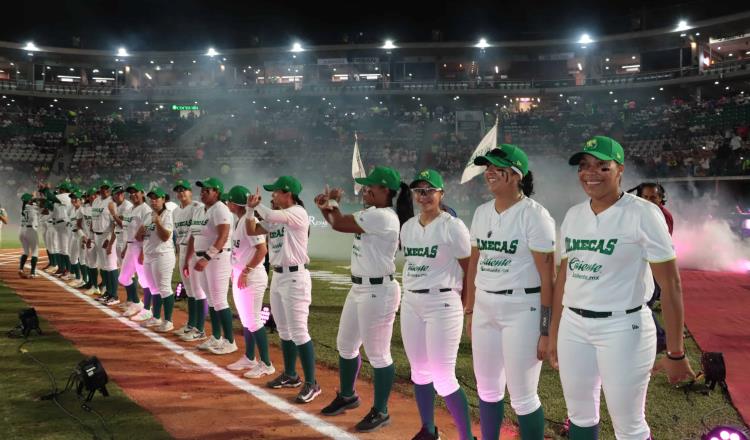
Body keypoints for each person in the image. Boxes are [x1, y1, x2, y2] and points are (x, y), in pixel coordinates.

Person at [549, 136, 695, 439]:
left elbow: (671, 284)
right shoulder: (574, 215)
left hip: (623, 326)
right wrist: (553, 332)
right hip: (574, 327)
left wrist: (677, 353)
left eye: (603, 167)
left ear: (620, 171)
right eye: (585, 166)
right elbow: (564, 276)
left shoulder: (643, 213)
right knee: (580, 417)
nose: (591, 173)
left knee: (629, 426)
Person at [465, 145, 555, 440]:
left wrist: (546, 330)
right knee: (487, 388)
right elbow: (474, 265)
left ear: (516, 174)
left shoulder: (535, 216)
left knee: (523, 396)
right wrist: (470, 309)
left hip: (522, 308)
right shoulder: (480, 213)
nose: (488, 172)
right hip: (485, 307)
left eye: (496, 167)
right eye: (486, 167)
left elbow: (548, 278)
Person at [314, 166, 413, 432]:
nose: (365, 190)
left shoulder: (384, 216)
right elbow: (336, 220)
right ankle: (347, 396)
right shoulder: (373, 213)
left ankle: (381, 411)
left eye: (371, 186)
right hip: (360, 288)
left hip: (378, 291)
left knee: (379, 354)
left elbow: (338, 223)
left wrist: (331, 204)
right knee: (345, 345)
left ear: (386, 190)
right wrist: (326, 206)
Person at [399, 169, 474, 440]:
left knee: (443, 376)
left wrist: (468, 308)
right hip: (412, 301)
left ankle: (467, 436)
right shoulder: (408, 227)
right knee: (419, 371)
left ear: (441, 193)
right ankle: (428, 430)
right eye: (419, 191)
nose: (424, 195)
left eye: (430, 190)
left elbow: (469, 268)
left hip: (443, 301)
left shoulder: (452, 225)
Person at [245, 175, 321, 404]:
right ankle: (290, 375)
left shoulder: (297, 212)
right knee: (284, 331)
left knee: (299, 332)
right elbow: (252, 230)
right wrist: (250, 211)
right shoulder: (278, 217)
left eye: (276, 192)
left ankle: (312, 383)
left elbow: (267, 214)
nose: (272, 195)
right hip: (279, 276)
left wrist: (256, 205)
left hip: (296, 277)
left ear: (288, 193)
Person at [225, 185, 274, 378]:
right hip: (242, 273)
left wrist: (246, 271)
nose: (226, 203)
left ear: (234, 204)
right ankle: (249, 356)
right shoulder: (240, 221)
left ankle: (267, 364)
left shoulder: (248, 220)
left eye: (228, 200)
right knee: (246, 320)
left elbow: (262, 250)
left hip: (251, 276)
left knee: (253, 320)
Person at [183, 177, 236, 354]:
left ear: (217, 192)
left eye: (207, 190)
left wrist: (206, 257)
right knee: (212, 299)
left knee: (220, 300)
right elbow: (195, 235)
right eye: (202, 190)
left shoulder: (220, 209)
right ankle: (216, 336)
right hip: (204, 258)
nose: (203, 193)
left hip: (217, 258)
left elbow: (223, 235)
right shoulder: (202, 210)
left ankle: (230, 341)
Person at [136, 187, 176, 333]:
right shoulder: (148, 215)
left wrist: (158, 222)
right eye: (151, 198)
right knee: (153, 288)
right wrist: (140, 232)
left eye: (157, 198)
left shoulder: (168, 214)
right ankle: (156, 317)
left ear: (163, 199)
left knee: (165, 288)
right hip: (149, 255)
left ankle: (169, 321)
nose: (154, 201)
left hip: (162, 255)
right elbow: (139, 237)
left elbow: (165, 236)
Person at [171, 179, 207, 339]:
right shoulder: (175, 211)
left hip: (195, 249)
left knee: (198, 291)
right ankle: (191, 325)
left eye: (184, 189)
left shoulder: (197, 207)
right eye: (178, 190)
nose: (181, 193)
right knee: (190, 291)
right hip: (183, 249)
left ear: (190, 191)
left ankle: (200, 329)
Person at [118, 183, 154, 319]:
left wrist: (144, 252)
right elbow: (129, 230)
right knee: (123, 277)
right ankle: (137, 302)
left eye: (136, 192)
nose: (133, 195)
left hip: (140, 247)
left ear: (142, 193)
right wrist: (126, 247)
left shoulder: (146, 210)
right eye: (131, 193)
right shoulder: (130, 210)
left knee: (145, 281)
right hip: (131, 246)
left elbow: (147, 232)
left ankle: (147, 309)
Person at [91, 179, 121, 306]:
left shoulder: (111, 203)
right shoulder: (96, 201)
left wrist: (109, 239)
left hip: (107, 236)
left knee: (111, 265)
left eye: (107, 188)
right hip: (97, 236)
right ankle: (108, 293)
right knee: (104, 266)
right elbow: (94, 219)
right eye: (103, 188)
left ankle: (114, 295)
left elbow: (115, 224)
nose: (105, 190)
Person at [18, 193, 40, 278]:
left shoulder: (24, 208)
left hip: (21, 231)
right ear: (29, 201)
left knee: (26, 252)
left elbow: (34, 202)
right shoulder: (33, 207)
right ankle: (32, 273)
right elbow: (42, 206)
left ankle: (21, 269)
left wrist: (32, 198)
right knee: (35, 252)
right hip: (30, 230)